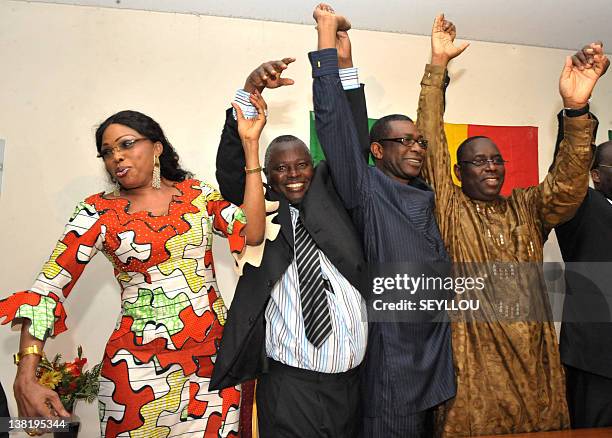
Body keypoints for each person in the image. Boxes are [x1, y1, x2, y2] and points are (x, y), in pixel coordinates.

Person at [0, 101, 267, 437]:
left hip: (212, 368)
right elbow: (46, 289)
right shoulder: (97, 212)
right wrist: (26, 375)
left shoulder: (197, 196)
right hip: (136, 373)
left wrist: (251, 147)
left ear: (157, 147)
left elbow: (253, 231)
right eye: (107, 152)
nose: (116, 158)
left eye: (126, 144)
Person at [416, 15, 608, 436]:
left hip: (535, 375)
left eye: (496, 159)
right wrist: (436, 67)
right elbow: (429, 141)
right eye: (479, 160)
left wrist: (576, 111)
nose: (491, 166)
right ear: (457, 171)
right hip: (474, 379)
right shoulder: (450, 209)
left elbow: (567, 184)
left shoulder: (525, 208)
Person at [311, 5, 455, 437]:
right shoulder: (368, 190)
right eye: (403, 140)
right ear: (377, 152)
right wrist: (325, 45)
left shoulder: (423, 192)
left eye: (419, 141)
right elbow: (336, 124)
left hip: (432, 362)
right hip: (393, 372)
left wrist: (348, 64)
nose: (415, 147)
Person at [210, 53, 369, 437]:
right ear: (268, 176)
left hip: (351, 384)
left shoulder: (337, 202)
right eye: (281, 168)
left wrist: (343, 65)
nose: (293, 174)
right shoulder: (260, 214)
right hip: (290, 386)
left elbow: (352, 144)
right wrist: (249, 92)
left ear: (314, 168)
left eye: (301, 165)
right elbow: (232, 171)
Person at [554, 46, 612, 425]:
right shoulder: (583, 207)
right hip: (598, 362)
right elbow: (564, 175)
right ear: (595, 174)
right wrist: (576, 110)